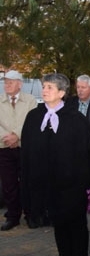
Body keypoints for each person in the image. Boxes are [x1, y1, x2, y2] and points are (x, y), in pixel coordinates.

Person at [20, 73, 90, 256]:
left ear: (62, 93)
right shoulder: (34, 117)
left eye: (49, 87)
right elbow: (27, 150)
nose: (44, 91)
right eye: (44, 86)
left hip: (73, 185)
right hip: (47, 185)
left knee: (77, 225)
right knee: (58, 224)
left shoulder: (76, 119)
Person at [0, 70, 38, 230]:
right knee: (8, 184)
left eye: (11, 81)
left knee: (27, 182)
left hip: (25, 148)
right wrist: (7, 137)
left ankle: (30, 214)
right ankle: (13, 216)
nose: (7, 84)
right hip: (4, 147)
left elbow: (31, 121)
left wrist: (16, 135)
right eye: (6, 82)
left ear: (20, 84)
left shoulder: (30, 100)